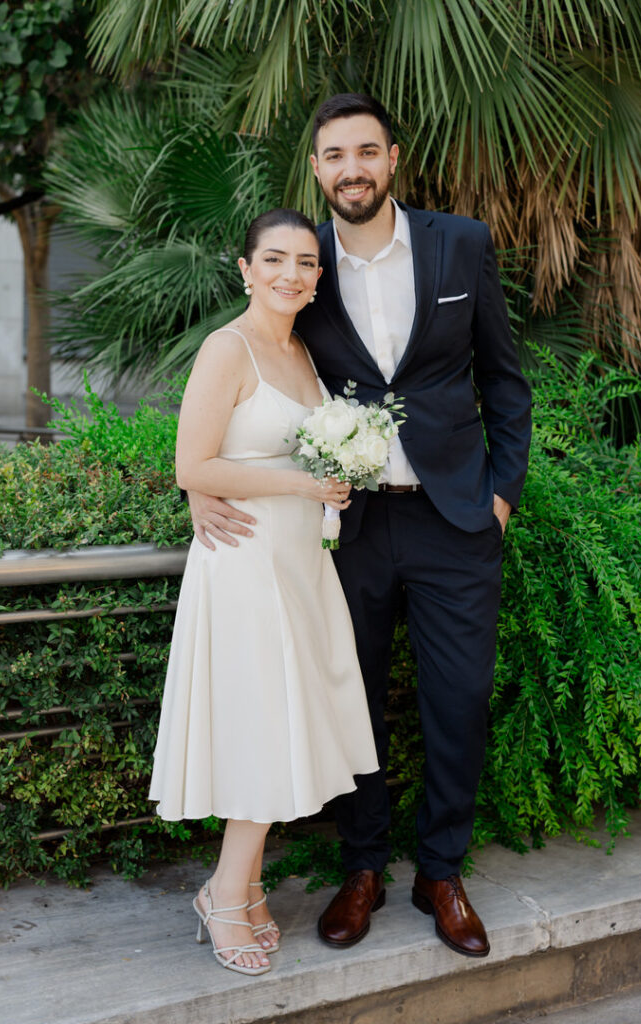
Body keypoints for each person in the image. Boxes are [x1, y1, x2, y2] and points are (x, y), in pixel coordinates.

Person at [187, 94, 532, 959]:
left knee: (458, 700)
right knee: (351, 697)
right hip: (350, 526)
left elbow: (503, 377)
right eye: (335, 155)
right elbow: (244, 380)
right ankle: (363, 866)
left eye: (366, 152)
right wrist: (200, 483)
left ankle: (442, 872)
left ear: (391, 158)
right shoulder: (303, 267)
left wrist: (500, 497)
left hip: (455, 518)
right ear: (316, 168)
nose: (352, 169)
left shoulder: (460, 244)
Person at [148, 207, 379, 977]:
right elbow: (192, 465)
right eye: (274, 259)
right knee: (262, 726)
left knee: (282, 726)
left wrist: (333, 480)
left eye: (306, 262)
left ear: (318, 278)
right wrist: (300, 484)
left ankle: (240, 888)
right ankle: (223, 894)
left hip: (300, 563)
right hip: (244, 562)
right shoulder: (228, 347)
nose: (291, 273)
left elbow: (290, 452)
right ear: (245, 269)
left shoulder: (305, 352)